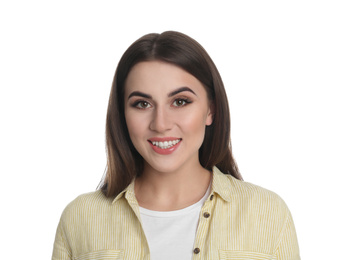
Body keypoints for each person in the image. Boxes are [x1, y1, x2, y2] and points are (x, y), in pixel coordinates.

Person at [52, 31, 300, 260]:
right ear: (122, 114)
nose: (160, 124)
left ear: (210, 110)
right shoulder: (80, 218)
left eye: (180, 101)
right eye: (142, 104)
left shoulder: (268, 213)